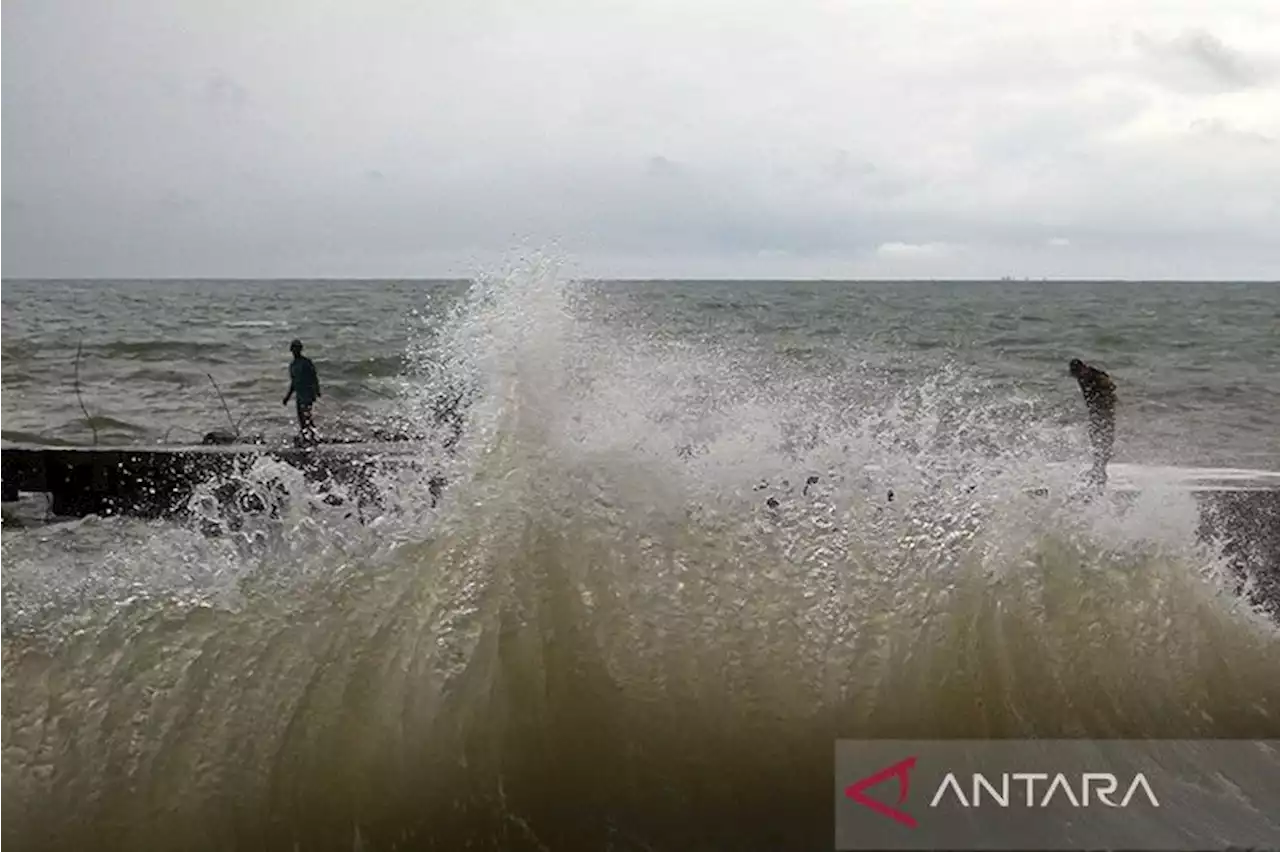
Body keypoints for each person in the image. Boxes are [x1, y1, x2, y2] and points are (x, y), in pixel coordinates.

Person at [1068, 358, 1116, 488]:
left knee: (1105, 441)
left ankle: (1101, 472)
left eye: (1078, 373)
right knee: (1096, 440)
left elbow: (1111, 389)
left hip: (1105, 413)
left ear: (1083, 367)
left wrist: (1102, 403)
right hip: (1095, 413)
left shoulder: (1097, 376)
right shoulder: (1083, 377)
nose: (1077, 376)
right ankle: (1098, 470)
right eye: (1075, 374)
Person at [283, 339, 321, 442]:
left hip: (307, 393)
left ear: (300, 349)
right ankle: (306, 436)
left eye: (297, 348)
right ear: (291, 350)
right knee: (301, 417)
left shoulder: (306, 362)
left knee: (307, 415)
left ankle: (313, 435)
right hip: (299, 394)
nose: (296, 351)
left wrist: (316, 390)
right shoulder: (293, 365)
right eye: (294, 348)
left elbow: (314, 376)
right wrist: (288, 396)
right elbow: (293, 383)